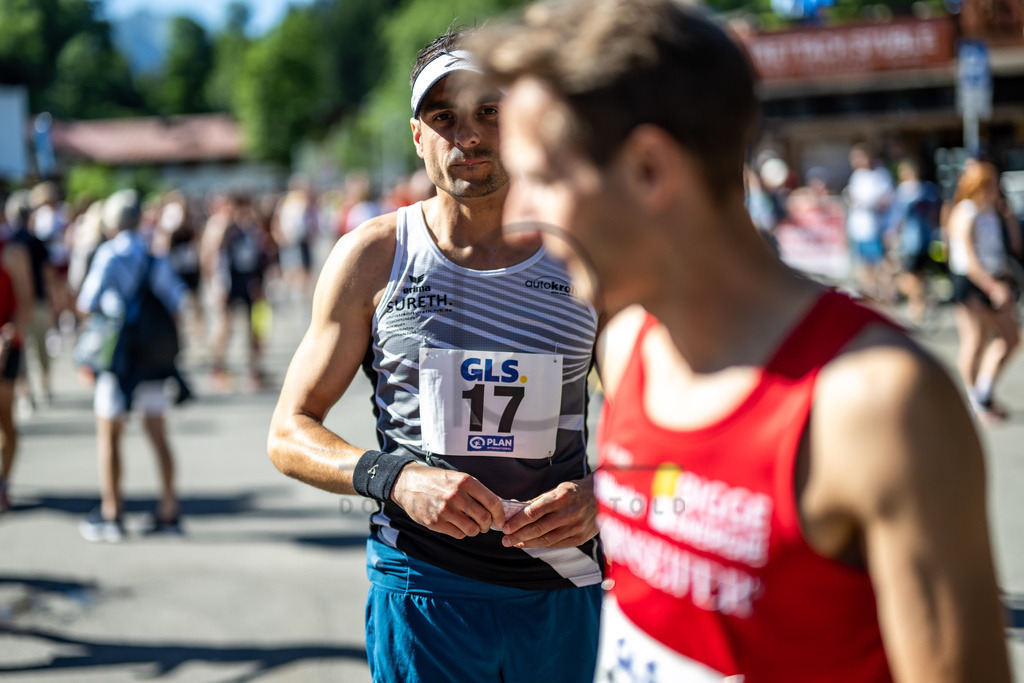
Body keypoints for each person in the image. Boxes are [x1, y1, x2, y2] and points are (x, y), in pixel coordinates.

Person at [473, 1, 1011, 681]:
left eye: (544, 178)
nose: (520, 221)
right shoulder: (628, 345)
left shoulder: (876, 405)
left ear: (649, 170)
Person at [268, 29, 602, 683]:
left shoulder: (587, 253)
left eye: (489, 113)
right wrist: (392, 476)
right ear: (418, 136)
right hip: (424, 589)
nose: (468, 136)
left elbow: (661, 418)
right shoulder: (373, 256)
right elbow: (288, 430)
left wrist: (609, 495)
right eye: (443, 118)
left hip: (563, 583)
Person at [76, 190, 188, 542]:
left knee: (110, 433)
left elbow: (86, 301)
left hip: (120, 357)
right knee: (157, 433)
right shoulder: (154, 256)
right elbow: (178, 300)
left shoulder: (110, 254)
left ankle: (112, 514)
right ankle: (169, 511)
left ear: (112, 223)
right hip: (152, 358)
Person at [946, 161, 1021, 424]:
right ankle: (974, 401)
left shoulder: (992, 211)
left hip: (997, 277)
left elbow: (1013, 246)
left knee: (1010, 337)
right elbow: (968, 259)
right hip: (973, 282)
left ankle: (983, 392)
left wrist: (1009, 217)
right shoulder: (965, 212)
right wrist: (992, 285)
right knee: (975, 341)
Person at [6, 191, 54, 409]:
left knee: (23, 349)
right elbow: (47, 273)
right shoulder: (33, 241)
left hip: (17, 305)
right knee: (39, 347)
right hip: (38, 301)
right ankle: (44, 386)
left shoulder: (11, 243)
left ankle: (26, 392)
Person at [0, 222, 35, 513]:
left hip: (6, 346)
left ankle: (3, 483)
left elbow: (26, 302)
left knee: (4, 417)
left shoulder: (12, 251)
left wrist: (9, 335)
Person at [887, 158, 942, 325]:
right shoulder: (907, 192)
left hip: (920, 240)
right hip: (912, 240)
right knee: (910, 276)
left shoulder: (923, 190)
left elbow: (934, 213)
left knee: (914, 275)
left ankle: (918, 304)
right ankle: (922, 301)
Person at [845, 143, 895, 301]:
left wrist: (871, 203)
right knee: (865, 264)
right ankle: (871, 293)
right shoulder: (856, 177)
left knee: (882, 263)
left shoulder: (880, 174)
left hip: (876, 227)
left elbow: (888, 199)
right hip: (859, 228)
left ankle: (887, 293)